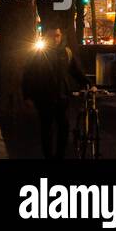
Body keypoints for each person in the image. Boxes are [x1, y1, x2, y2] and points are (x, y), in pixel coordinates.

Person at [22, 27, 89, 159]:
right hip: (43, 97)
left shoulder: (66, 52)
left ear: (61, 36)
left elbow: (76, 71)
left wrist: (88, 84)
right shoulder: (37, 53)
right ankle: (49, 156)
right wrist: (27, 96)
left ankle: (59, 156)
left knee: (63, 127)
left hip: (61, 96)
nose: (55, 39)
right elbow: (28, 76)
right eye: (52, 36)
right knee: (47, 129)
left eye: (57, 36)